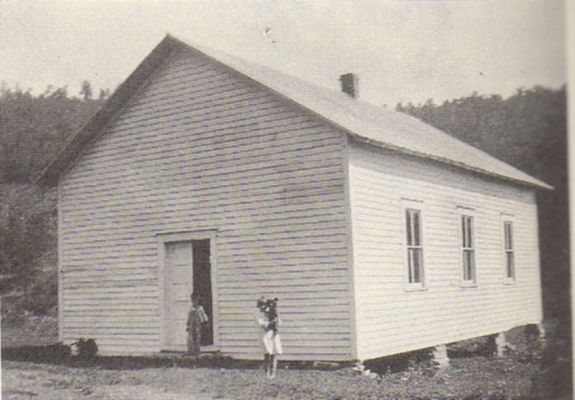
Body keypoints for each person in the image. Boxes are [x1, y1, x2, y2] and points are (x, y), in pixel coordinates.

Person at [257, 296, 282, 379]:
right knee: (267, 355)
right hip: (265, 336)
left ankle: (273, 374)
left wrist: (275, 316)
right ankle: (267, 373)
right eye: (261, 305)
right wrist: (273, 321)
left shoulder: (272, 312)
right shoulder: (259, 315)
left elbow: (279, 322)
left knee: (274, 355)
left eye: (265, 305)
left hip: (274, 335)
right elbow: (265, 325)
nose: (264, 307)